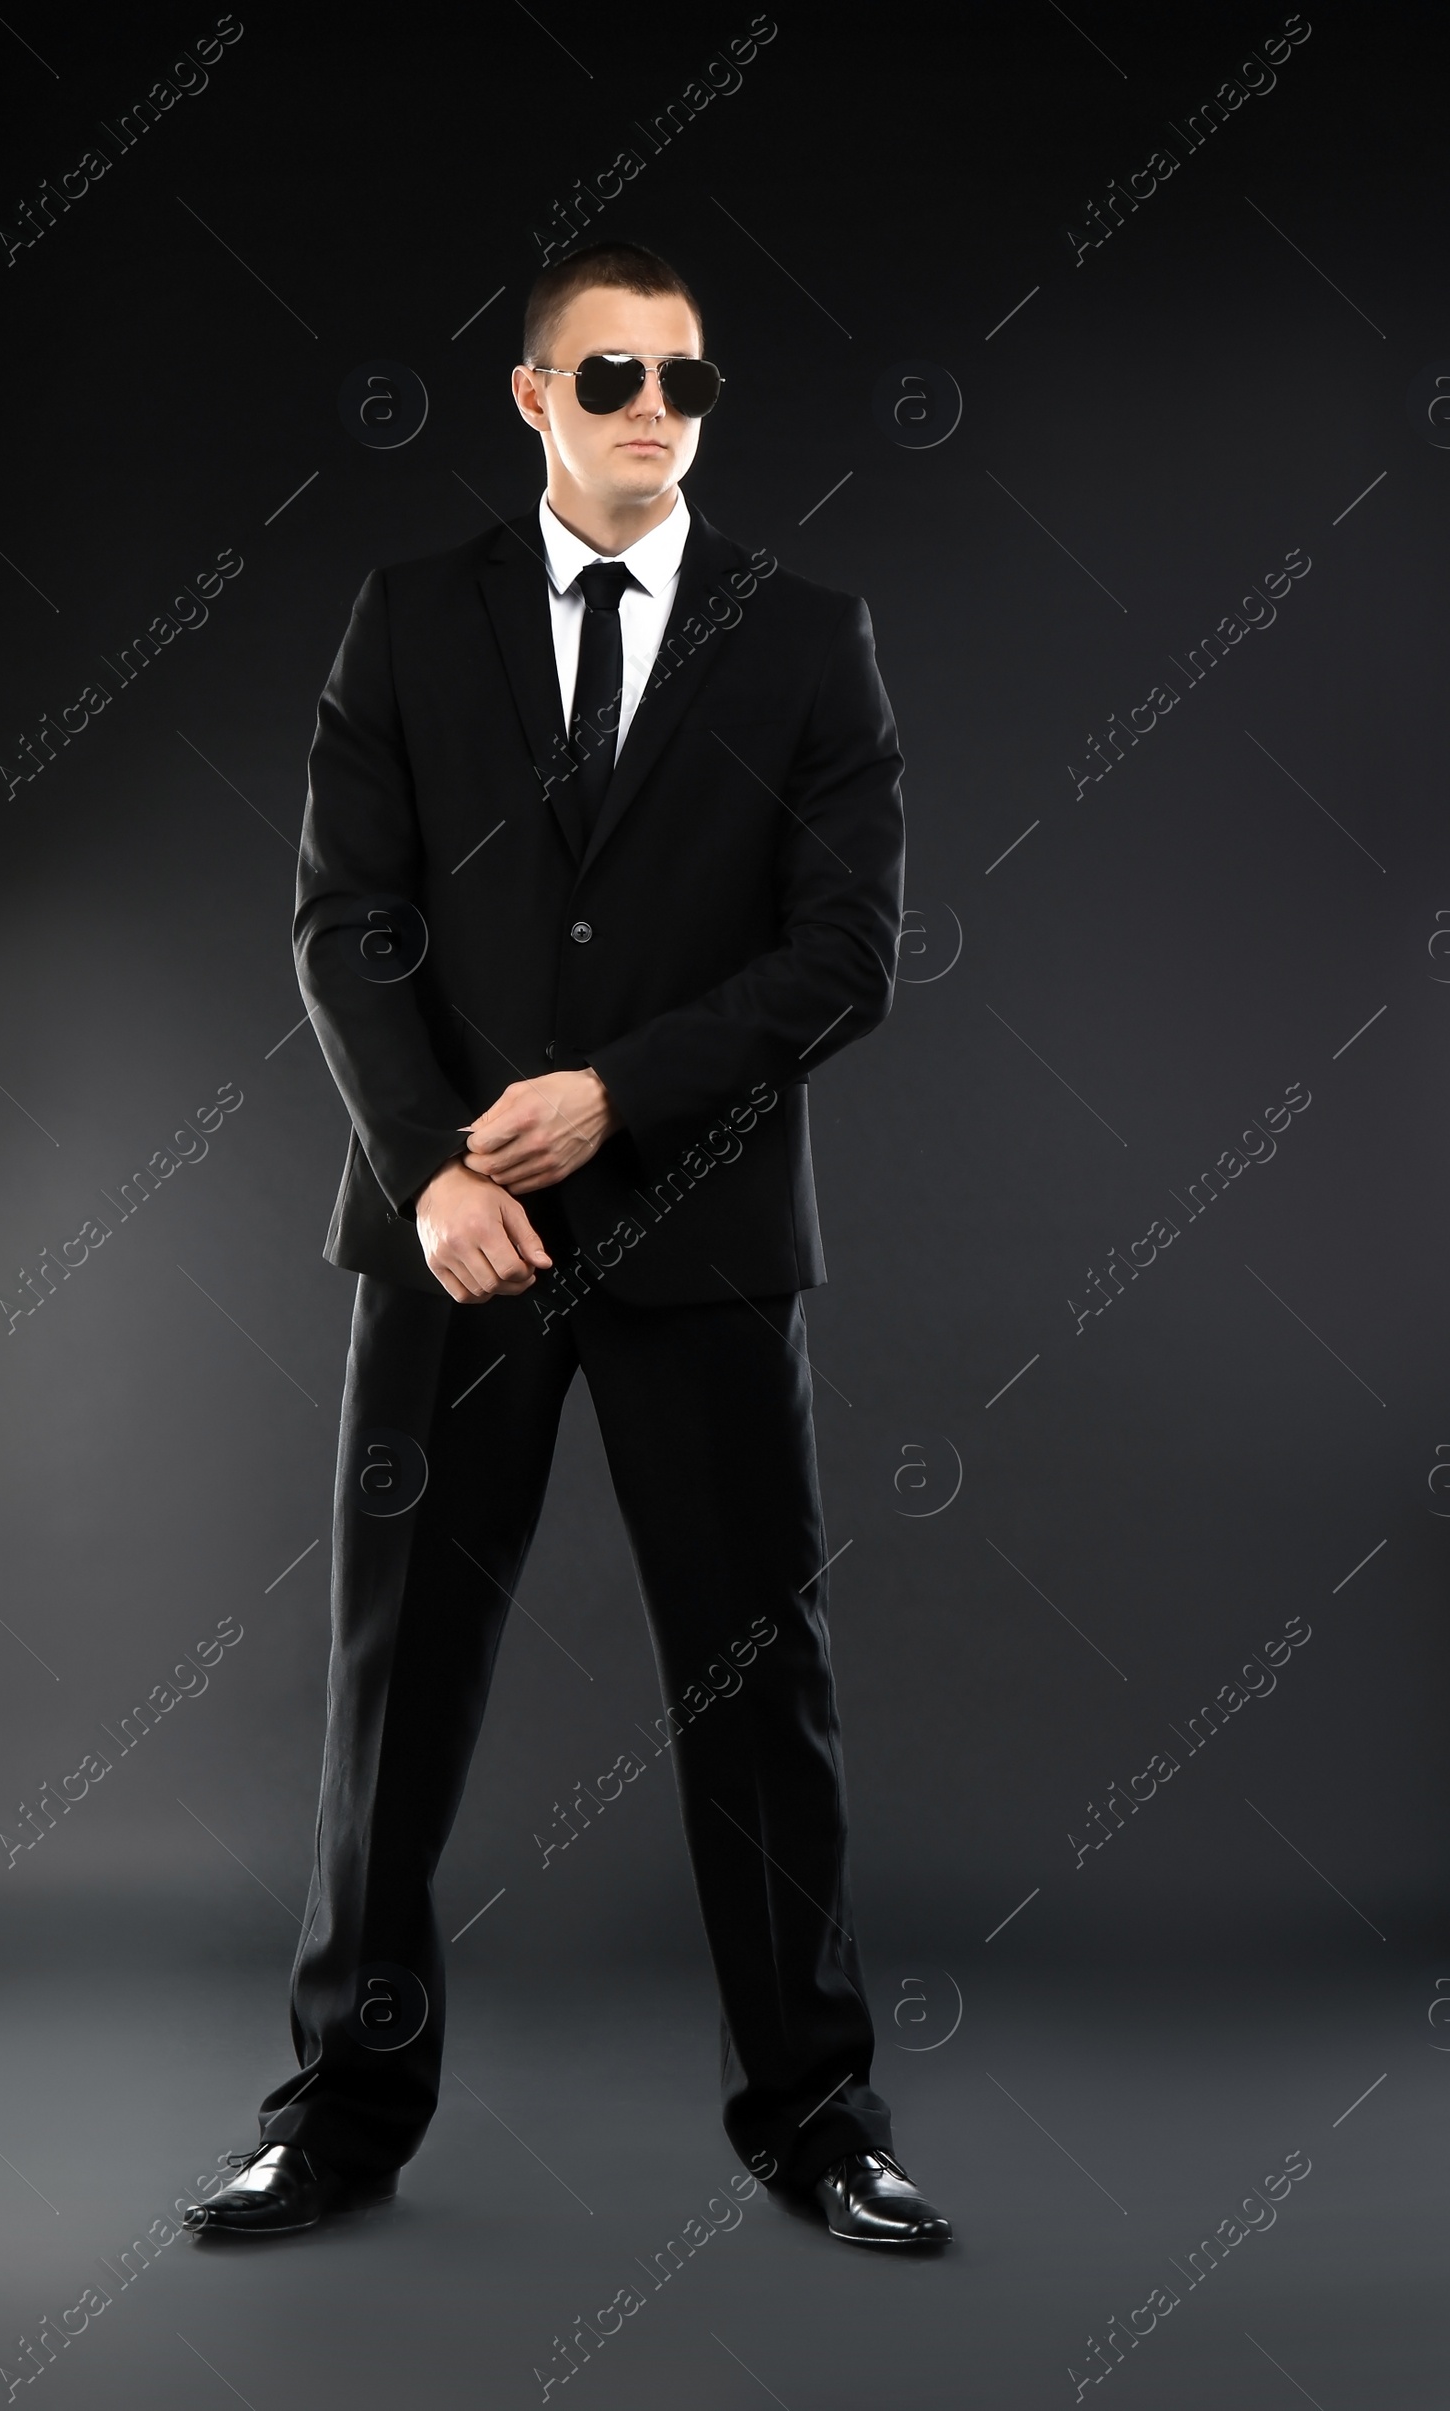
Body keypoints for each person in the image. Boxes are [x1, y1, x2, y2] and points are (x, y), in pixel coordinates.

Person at [185, 240, 950, 2250]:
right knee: (393, 1688)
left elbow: (841, 959)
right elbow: (344, 920)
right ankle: (339, 2113)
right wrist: (438, 1166)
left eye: (682, 383)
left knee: (755, 1688)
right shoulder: (408, 617)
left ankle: (814, 2116)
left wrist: (616, 1095)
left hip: (700, 1241)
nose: (646, 414)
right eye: (606, 377)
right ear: (530, 398)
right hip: (452, 1248)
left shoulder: (806, 638)